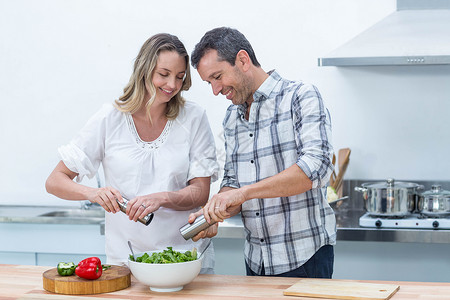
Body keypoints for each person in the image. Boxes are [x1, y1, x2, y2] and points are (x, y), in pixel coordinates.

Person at [45, 33, 219, 273]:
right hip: (126, 264)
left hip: (186, 261)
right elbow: (55, 181)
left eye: (179, 77)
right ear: (144, 71)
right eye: (164, 74)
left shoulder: (193, 118)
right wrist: (93, 193)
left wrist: (161, 198)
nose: (172, 85)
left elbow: (200, 193)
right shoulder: (110, 118)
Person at [188, 27, 336, 278]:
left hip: (304, 258)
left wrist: (244, 193)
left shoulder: (300, 96)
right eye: (209, 82)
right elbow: (233, 182)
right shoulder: (232, 117)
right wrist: (216, 209)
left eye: (218, 76)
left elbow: (316, 168)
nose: (215, 90)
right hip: (256, 261)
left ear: (243, 60)